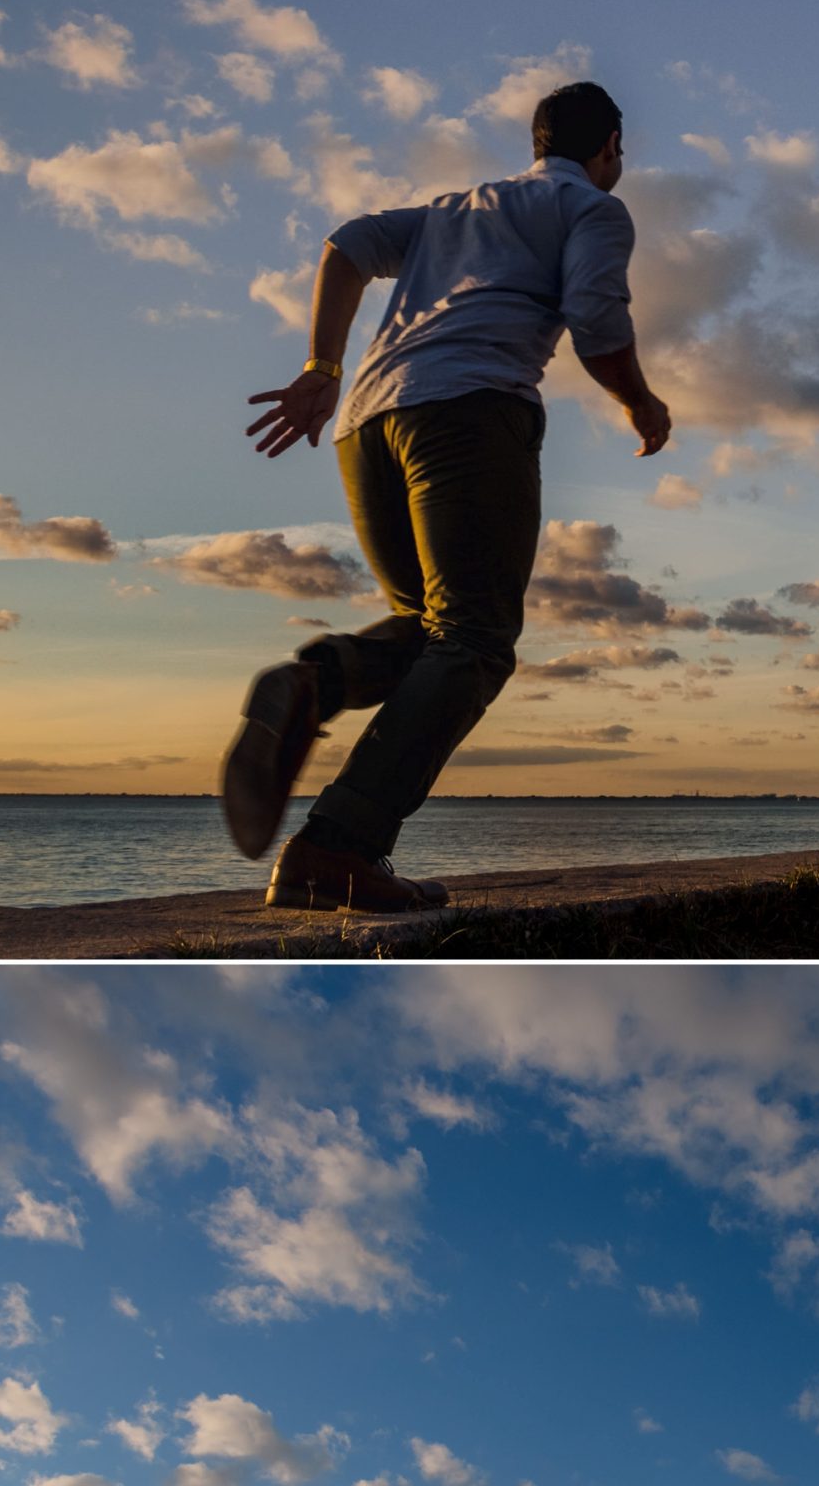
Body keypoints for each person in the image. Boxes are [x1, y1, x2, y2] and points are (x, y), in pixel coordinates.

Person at [222, 80, 672, 912]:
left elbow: (347, 246)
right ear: (611, 144)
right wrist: (640, 401)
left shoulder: (456, 207)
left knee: (433, 630)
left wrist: (323, 368)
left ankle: (315, 686)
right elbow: (597, 318)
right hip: (469, 415)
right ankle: (337, 848)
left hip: (368, 423)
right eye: (622, 149)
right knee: (474, 641)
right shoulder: (593, 210)